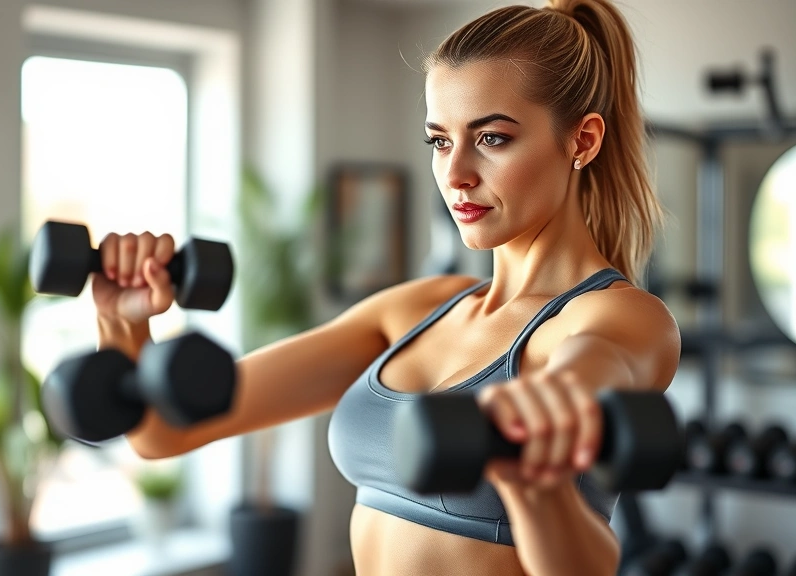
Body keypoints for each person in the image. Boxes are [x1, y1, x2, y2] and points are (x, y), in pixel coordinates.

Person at [91, 0, 680, 574]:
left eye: (492, 138)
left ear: (582, 140)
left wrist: (540, 474)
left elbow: (591, 366)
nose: (455, 175)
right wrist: (123, 319)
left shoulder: (616, 318)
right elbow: (167, 431)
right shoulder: (418, 307)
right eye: (440, 141)